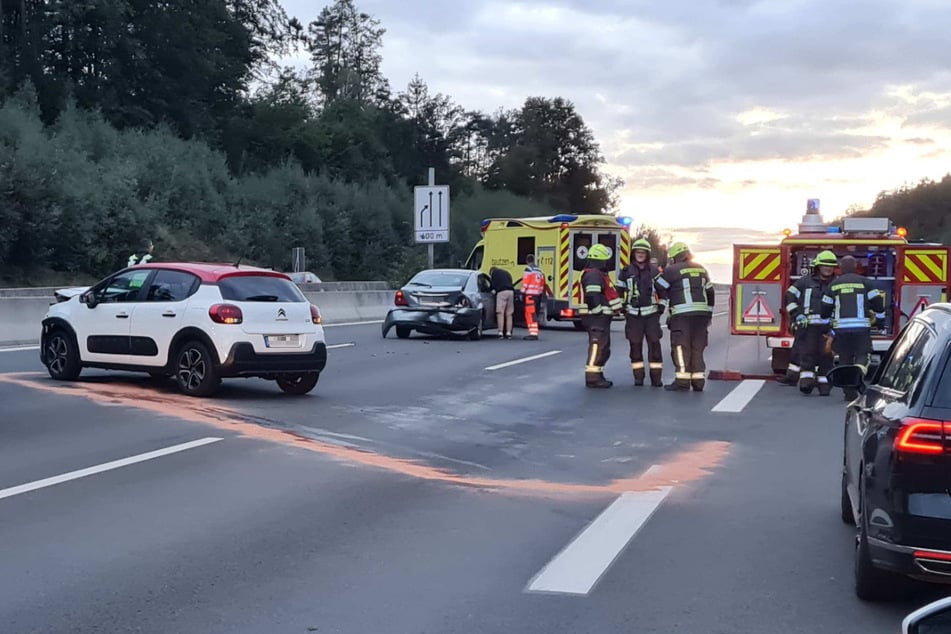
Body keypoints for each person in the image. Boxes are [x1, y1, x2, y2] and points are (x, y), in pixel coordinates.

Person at [820, 255, 886, 400]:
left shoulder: (833, 285)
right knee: (863, 355)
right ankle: (859, 373)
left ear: (841, 268)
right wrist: (880, 322)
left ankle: (848, 393)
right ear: (856, 267)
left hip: (841, 330)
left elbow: (825, 309)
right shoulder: (866, 283)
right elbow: (878, 304)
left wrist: (826, 322)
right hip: (861, 329)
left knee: (844, 359)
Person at [654, 242, 714, 392]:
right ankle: (698, 382)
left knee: (681, 347)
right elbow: (710, 292)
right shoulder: (701, 268)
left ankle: (682, 381)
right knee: (697, 348)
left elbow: (659, 285)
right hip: (702, 315)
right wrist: (709, 312)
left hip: (682, 315)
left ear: (674, 257)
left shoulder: (672, 270)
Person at [787, 251, 837, 396]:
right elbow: (789, 295)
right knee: (807, 355)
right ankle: (806, 383)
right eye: (824, 266)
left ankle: (824, 386)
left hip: (828, 327)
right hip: (808, 327)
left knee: (826, 357)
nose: (828, 269)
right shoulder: (805, 282)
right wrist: (796, 314)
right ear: (818, 267)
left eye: (831, 266)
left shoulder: (837, 283)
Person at [619, 238, 665, 387]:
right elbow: (619, 291)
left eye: (643, 252)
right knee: (635, 346)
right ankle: (638, 377)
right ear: (633, 253)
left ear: (647, 254)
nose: (640, 254)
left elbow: (663, 290)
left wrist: (661, 306)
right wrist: (621, 307)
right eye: (637, 252)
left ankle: (656, 379)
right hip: (633, 316)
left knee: (654, 346)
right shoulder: (626, 271)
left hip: (651, 315)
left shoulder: (654, 271)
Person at [581, 243, 623, 388]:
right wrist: (598, 310)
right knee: (597, 347)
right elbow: (592, 295)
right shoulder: (593, 274)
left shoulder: (598, 274)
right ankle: (592, 377)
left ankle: (598, 375)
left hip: (601, 319)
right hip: (597, 319)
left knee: (603, 348)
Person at [520, 254, 546, 340]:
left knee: (530, 314)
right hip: (537, 295)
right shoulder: (539, 271)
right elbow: (542, 284)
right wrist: (540, 293)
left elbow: (525, 282)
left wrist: (522, 293)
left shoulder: (528, 269)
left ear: (527, 261)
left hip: (530, 295)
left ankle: (533, 333)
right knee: (535, 313)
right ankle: (533, 332)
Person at [489, 266, 515, 339]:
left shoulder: (494, 273)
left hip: (502, 292)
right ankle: (508, 333)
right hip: (511, 292)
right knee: (509, 314)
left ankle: (500, 332)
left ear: (491, 272)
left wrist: (492, 290)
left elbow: (492, 285)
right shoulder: (506, 273)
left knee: (500, 313)